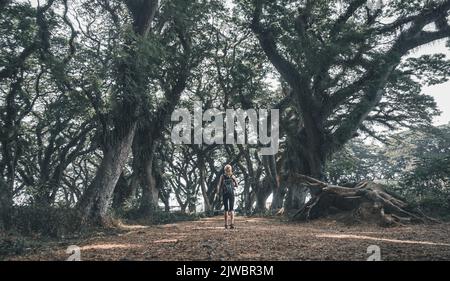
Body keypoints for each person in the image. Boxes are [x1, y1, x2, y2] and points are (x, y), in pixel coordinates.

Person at [216, 164, 238, 229]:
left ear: (224, 170)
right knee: (231, 209)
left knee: (226, 209)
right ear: (231, 170)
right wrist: (233, 183)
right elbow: (237, 185)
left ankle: (226, 224)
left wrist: (217, 192)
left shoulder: (222, 176)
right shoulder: (233, 176)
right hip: (231, 193)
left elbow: (219, 185)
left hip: (224, 193)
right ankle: (232, 224)